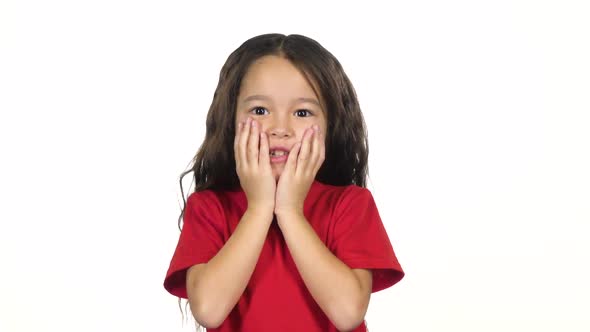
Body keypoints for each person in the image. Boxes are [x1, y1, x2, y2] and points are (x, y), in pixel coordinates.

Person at [163, 33, 404, 332]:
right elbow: (209, 310)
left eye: (302, 112)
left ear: (330, 126)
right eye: (260, 111)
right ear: (230, 121)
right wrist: (260, 207)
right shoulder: (210, 207)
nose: (280, 128)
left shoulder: (349, 204)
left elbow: (347, 313)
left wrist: (290, 210)